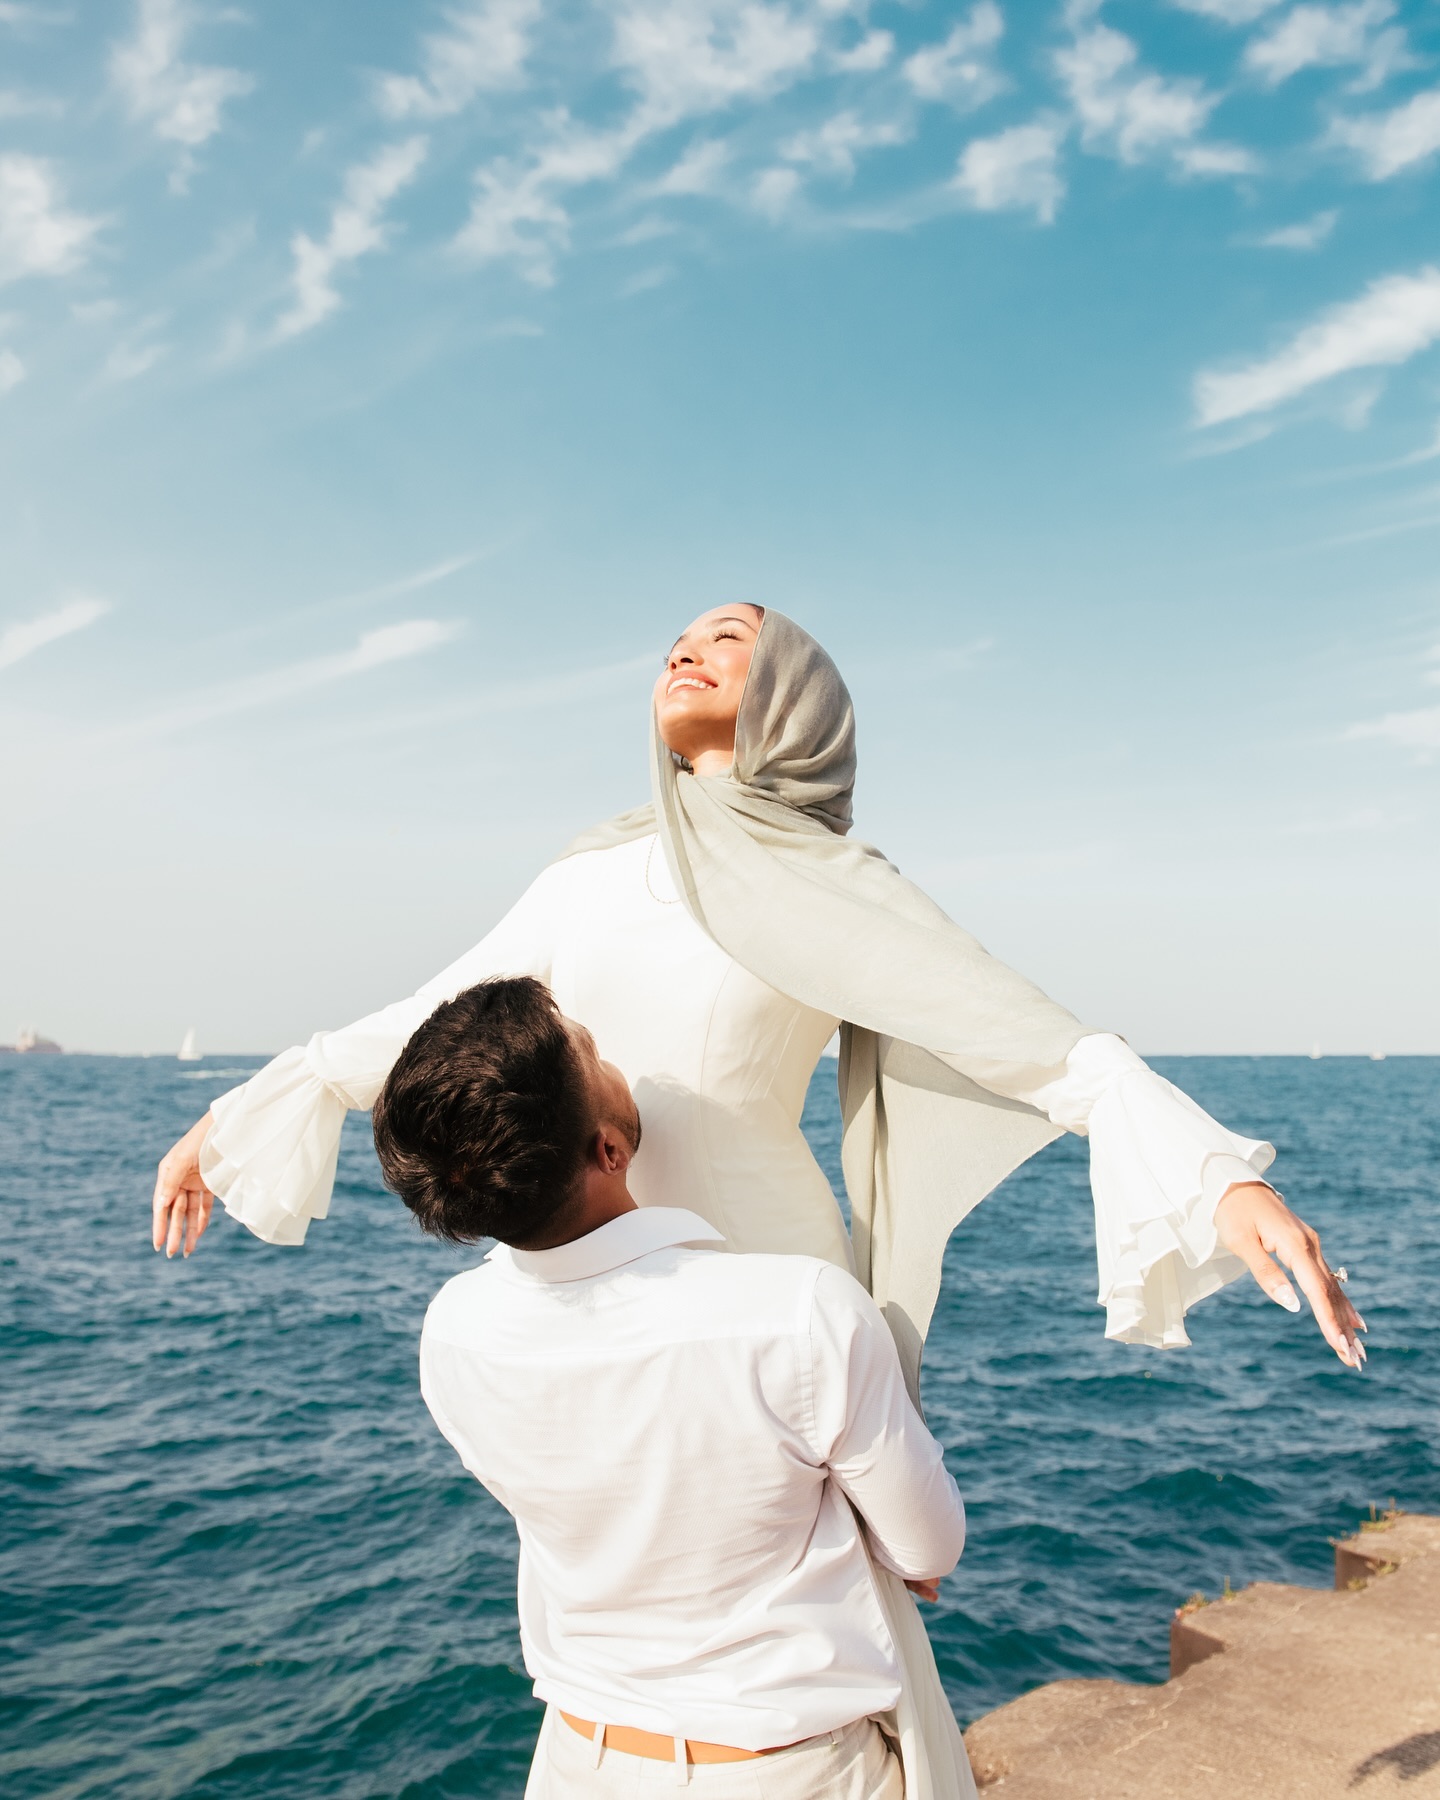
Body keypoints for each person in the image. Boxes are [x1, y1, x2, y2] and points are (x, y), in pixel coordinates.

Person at [152, 603, 1364, 1799]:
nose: (686, 648)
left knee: (840, 1583)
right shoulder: (591, 871)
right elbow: (426, 1021)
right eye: (678, 636)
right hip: (588, 1275)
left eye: (732, 636)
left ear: (797, 693)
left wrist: (1221, 1177)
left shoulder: (831, 879)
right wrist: (237, 1117)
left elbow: (1015, 1031)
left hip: (772, 1260)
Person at [376, 974, 966, 1800]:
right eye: (592, 1047)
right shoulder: (797, 1313)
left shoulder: (452, 1334)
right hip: (780, 1774)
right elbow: (930, 1550)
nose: (614, 1052)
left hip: (580, 1763)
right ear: (611, 1151)